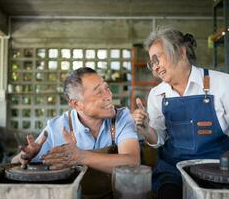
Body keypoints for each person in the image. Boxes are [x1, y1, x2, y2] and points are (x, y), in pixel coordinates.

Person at [132, 26, 229, 199]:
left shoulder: (221, 83)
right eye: (152, 62)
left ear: (181, 52)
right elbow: (158, 139)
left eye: (158, 59)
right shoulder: (157, 94)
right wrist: (145, 128)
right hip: (173, 169)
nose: (155, 67)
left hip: (218, 166)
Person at [12, 67, 140, 198]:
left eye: (106, 88)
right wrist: (26, 157)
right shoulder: (57, 127)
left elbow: (133, 162)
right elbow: (15, 163)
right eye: (98, 92)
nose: (108, 95)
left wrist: (80, 157)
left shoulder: (122, 117)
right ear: (77, 104)